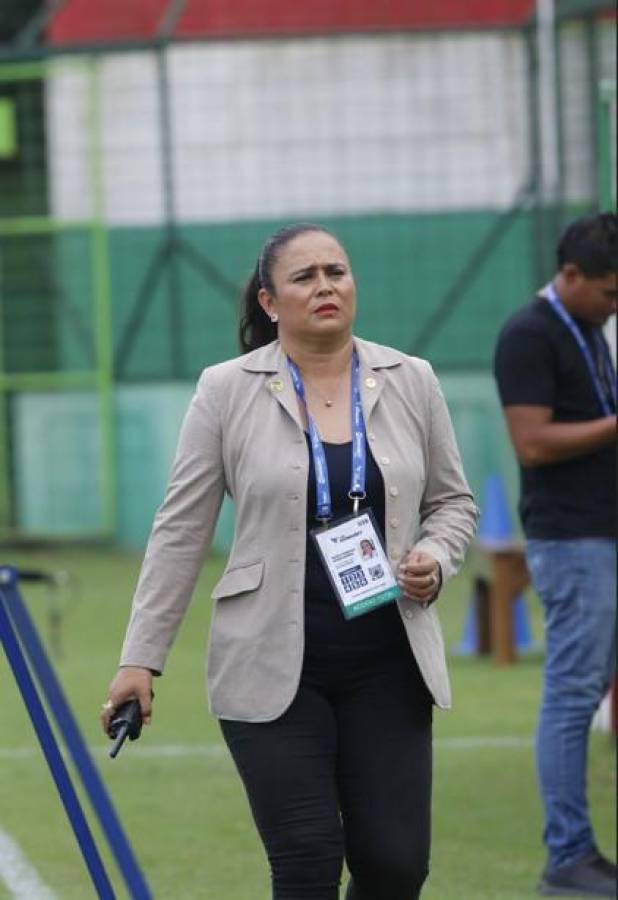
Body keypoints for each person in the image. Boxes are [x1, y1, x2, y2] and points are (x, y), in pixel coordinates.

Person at [101, 222, 478, 900]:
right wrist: (140, 659)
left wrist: (435, 555)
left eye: (336, 271)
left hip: (389, 659)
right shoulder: (226, 390)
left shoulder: (411, 378)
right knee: (306, 859)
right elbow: (180, 530)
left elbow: (454, 503)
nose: (326, 285)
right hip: (269, 662)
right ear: (270, 302)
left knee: (396, 866)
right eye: (304, 277)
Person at [494, 213, 617, 899]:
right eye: (606, 291)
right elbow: (532, 442)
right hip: (572, 541)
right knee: (572, 696)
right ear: (569, 275)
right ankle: (567, 854)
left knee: (587, 690)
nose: (612, 305)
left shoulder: (589, 330)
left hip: (602, 534)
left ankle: (580, 853)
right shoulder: (528, 334)